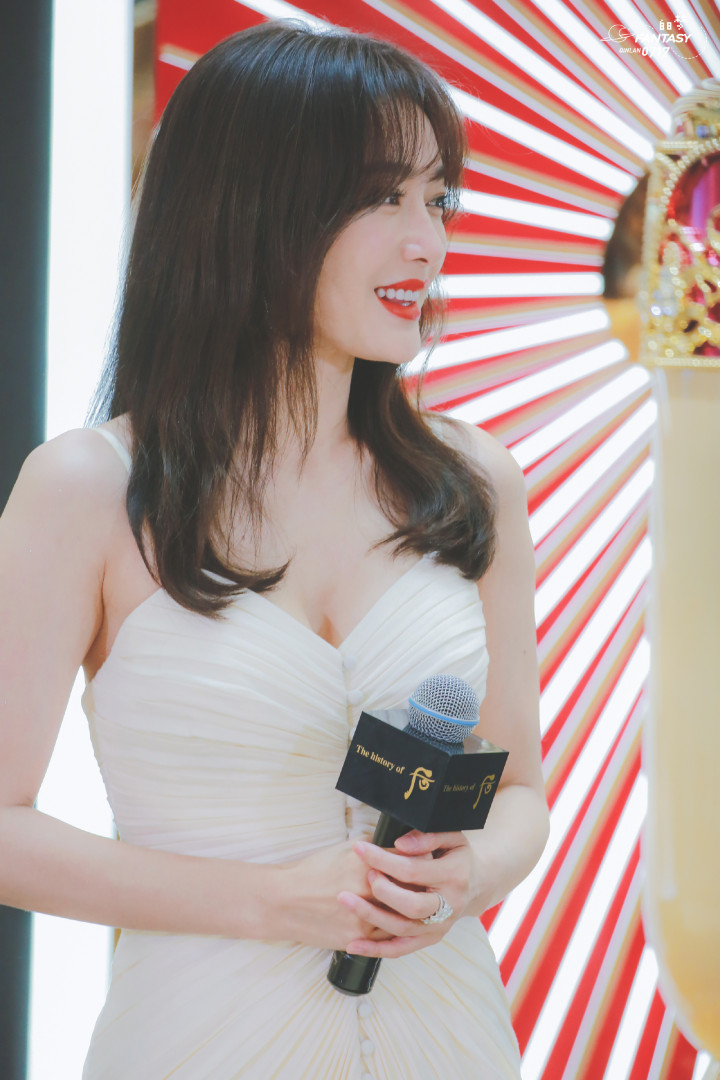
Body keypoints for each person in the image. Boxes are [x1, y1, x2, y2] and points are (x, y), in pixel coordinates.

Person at [0, 20, 549, 1079]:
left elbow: (520, 786)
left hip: (449, 1034)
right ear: (249, 209)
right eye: (383, 197)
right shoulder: (88, 487)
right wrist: (268, 902)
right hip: (199, 1040)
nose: (427, 242)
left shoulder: (472, 479)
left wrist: (470, 874)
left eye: (438, 200)